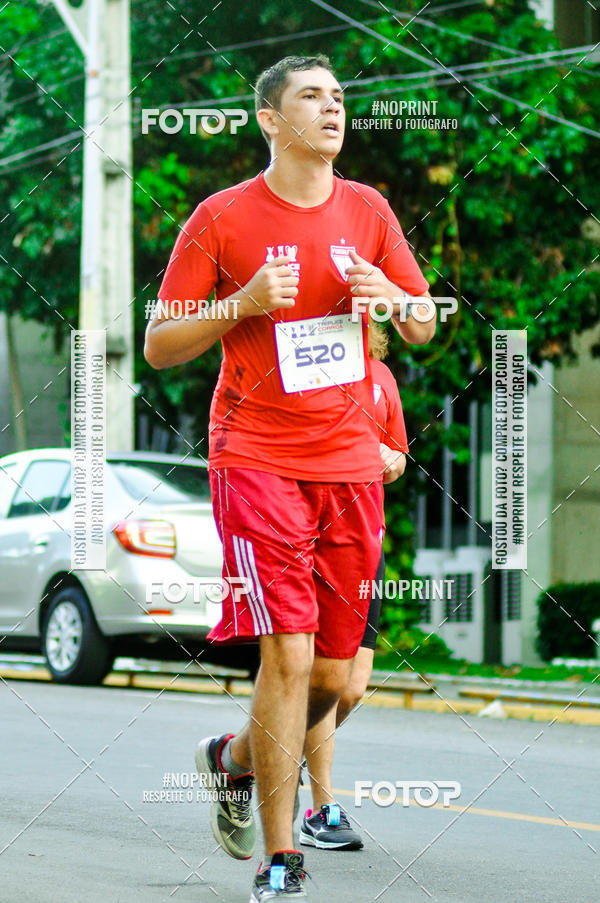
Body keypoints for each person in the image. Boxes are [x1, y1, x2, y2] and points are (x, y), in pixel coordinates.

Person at [144, 54, 434, 902]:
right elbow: (162, 341)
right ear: (271, 119)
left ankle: (231, 759)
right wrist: (240, 306)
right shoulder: (221, 217)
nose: (332, 107)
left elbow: (420, 325)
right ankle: (281, 856)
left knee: (341, 679)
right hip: (256, 455)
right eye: (311, 95)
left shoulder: (369, 209)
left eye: (339, 96)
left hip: (348, 462)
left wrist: (390, 292)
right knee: (289, 651)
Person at [300, 323, 408, 851]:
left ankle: (273, 748)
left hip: (367, 546)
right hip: (312, 543)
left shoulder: (383, 378)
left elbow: (398, 454)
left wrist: (393, 461)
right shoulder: (309, 369)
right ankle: (322, 810)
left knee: (351, 686)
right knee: (324, 676)